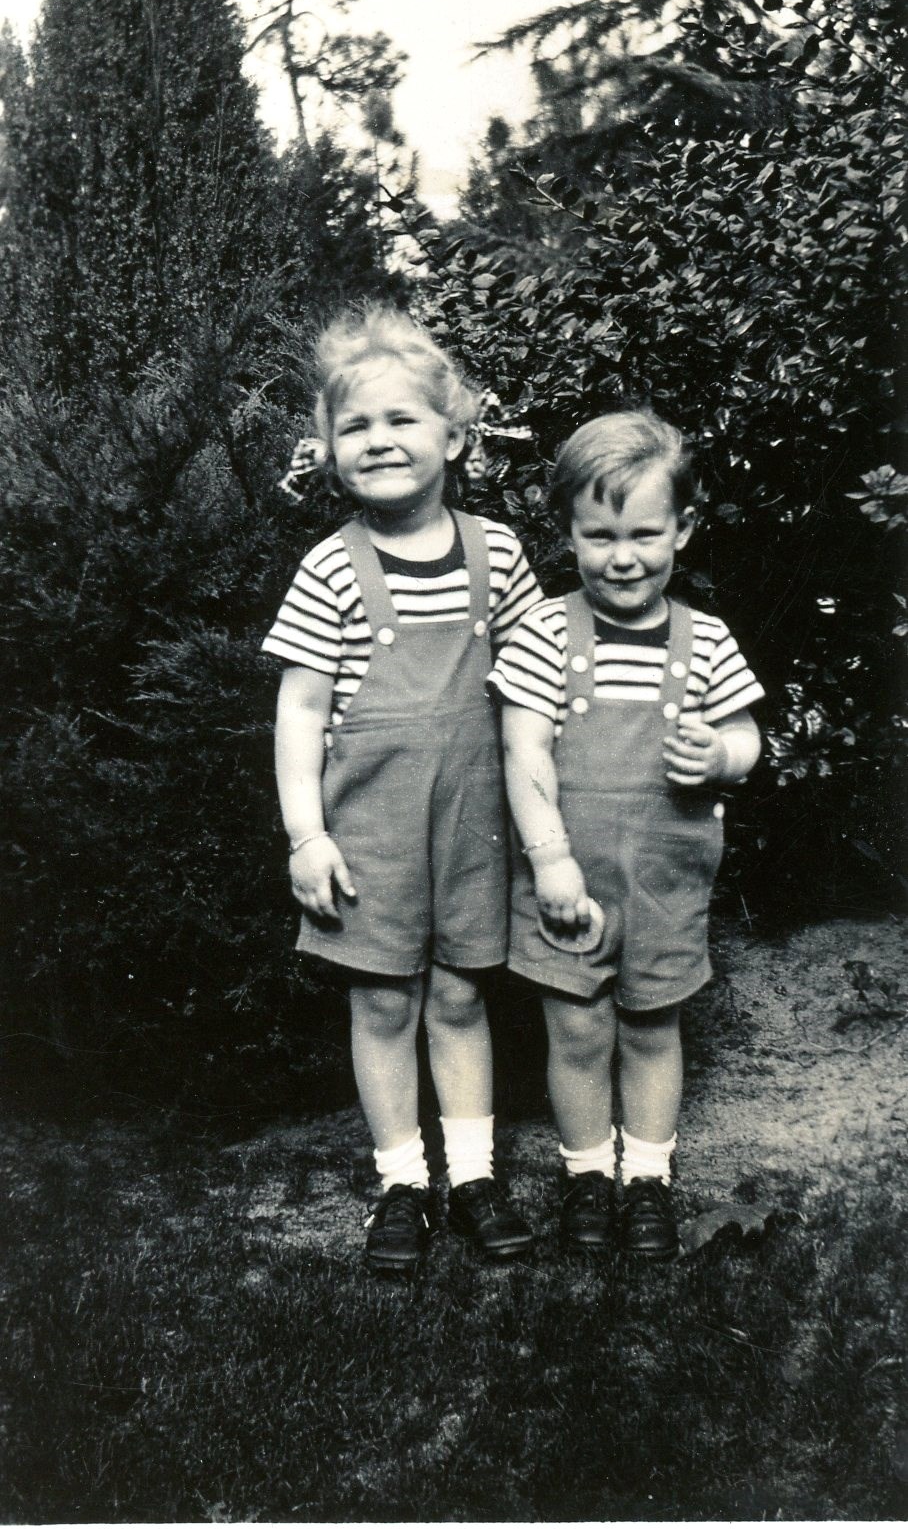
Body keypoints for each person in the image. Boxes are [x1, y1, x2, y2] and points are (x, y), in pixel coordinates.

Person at [263, 307, 543, 1275]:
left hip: (473, 822)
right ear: (330, 450)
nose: (378, 441)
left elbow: (535, 693)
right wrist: (307, 835)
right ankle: (401, 1184)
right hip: (371, 832)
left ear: (453, 437)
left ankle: (471, 1177)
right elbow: (299, 713)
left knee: (461, 999)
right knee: (383, 1006)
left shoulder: (498, 554)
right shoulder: (330, 567)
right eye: (356, 427)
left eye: (401, 421)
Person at [488, 411, 764, 1261]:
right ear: (567, 529)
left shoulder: (705, 638)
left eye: (645, 533)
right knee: (576, 1032)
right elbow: (522, 747)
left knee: (651, 1029)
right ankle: (587, 1178)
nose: (623, 556)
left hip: (665, 881)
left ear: (683, 528)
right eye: (598, 534)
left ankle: (647, 1177)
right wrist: (552, 861)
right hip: (566, 879)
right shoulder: (546, 633)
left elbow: (749, 740)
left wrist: (721, 752)